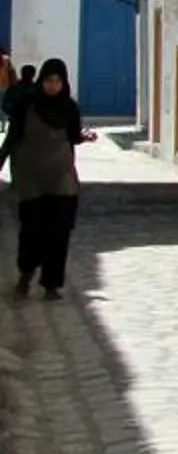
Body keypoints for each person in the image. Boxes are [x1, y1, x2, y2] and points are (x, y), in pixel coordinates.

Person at [0, 58, 95, 297]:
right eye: (49, 81)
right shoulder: (27, 106)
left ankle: (51, 284)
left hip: (61, 178)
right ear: (41, 81)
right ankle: (26, 274)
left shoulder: (70, 108)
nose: (53, 86)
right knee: (31, 230)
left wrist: (85, 136)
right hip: (31, 177)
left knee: (58, 233)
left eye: (57, 81)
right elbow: (14, 132)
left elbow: (73, 135)